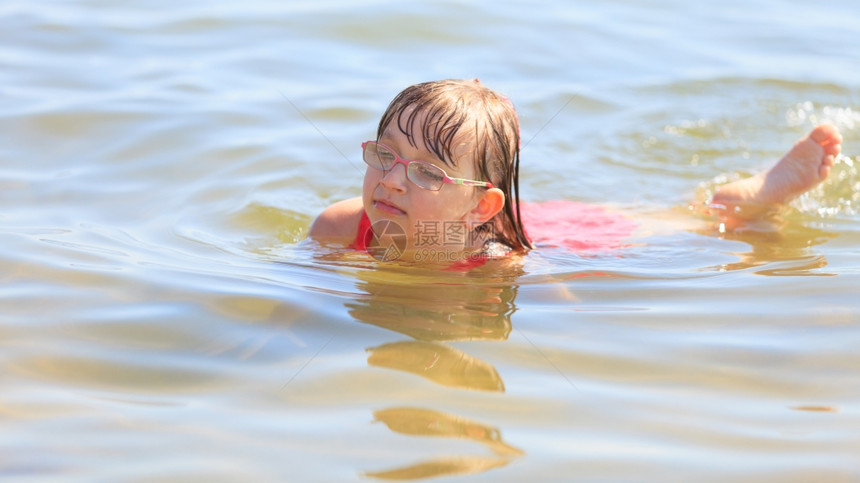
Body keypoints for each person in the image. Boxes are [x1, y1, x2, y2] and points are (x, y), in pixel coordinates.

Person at [308, 79, 843, 265]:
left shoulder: (498, 267)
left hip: (557, 236)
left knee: (688, 224)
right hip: (506, 217)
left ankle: (750, 194)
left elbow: (559, 298)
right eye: (385, 155)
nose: (393, 180)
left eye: (427, 173)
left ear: (481, 203)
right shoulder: (337, 228)